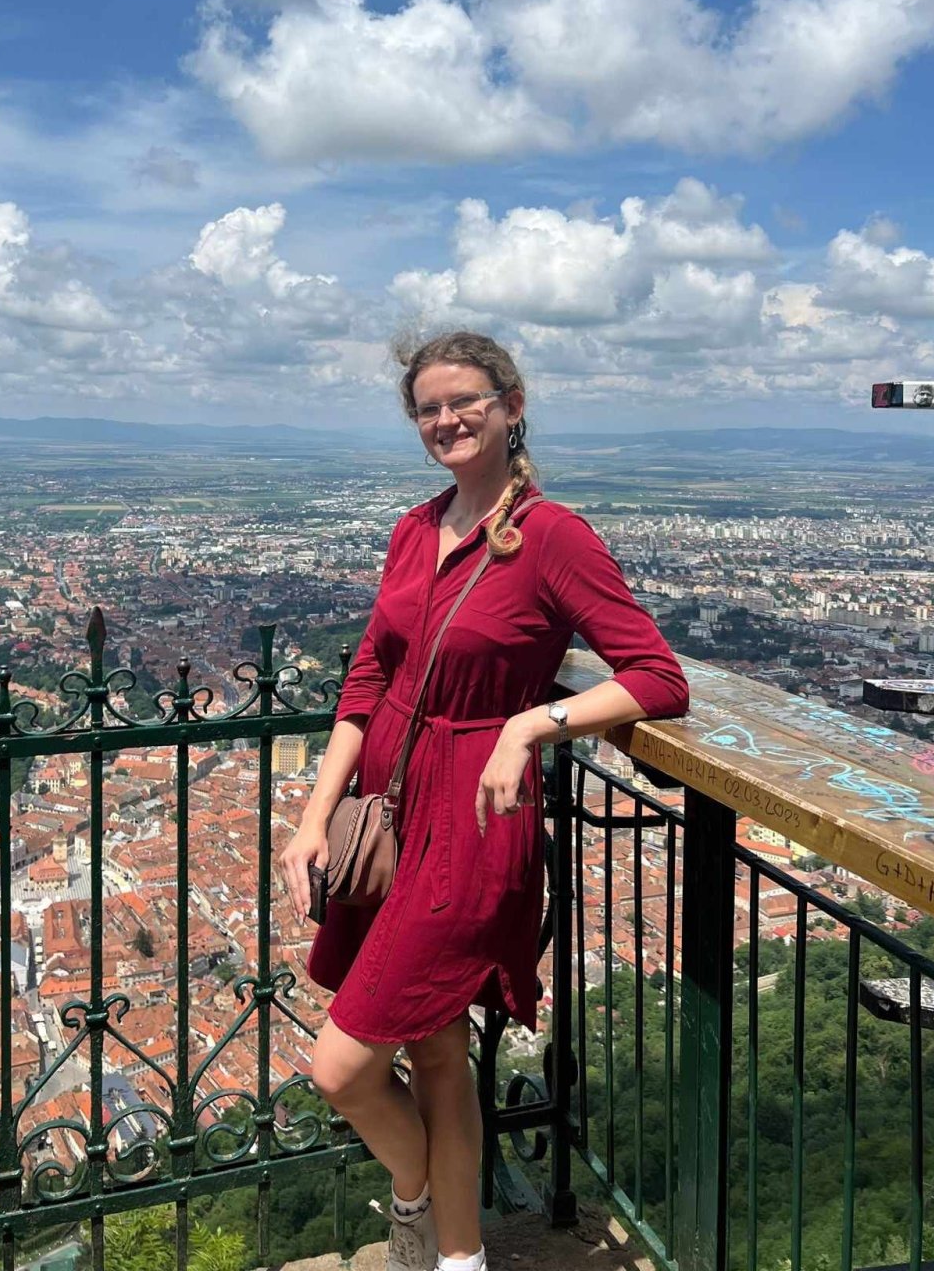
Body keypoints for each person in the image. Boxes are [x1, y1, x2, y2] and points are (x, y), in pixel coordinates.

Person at [277, 330, 689, 1271]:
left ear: (511, 405)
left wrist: (532, 724)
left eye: (465, 401)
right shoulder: (415, 529)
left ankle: (413, 1197)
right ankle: (457, 1258)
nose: (447, 420)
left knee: (340, 1068)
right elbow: (370, 677)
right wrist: (312, 820)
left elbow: (658, 678)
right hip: (391, 813)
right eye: (428, 408)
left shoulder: (552, 537)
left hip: (470, 828)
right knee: (434, 1056)